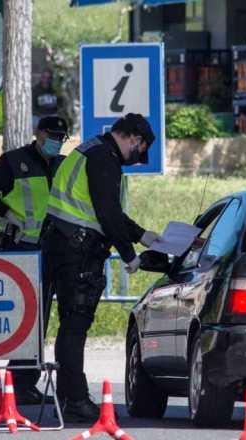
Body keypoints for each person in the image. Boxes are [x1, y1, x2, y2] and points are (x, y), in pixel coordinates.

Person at [42, 113, 160, 421]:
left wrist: (142, 235)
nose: (137, 158)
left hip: (61, 242)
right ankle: (77, 400)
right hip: (78, 250)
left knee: (69, 326)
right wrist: (129, 256)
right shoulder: (105, 159)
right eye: (141, 149)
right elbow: (106, 212)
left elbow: (105, 209)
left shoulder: (89, 150)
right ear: (134, 139)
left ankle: (70, 396)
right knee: (75, 326)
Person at [0, 116, 69, 405]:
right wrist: (7, 213)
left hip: (48, 249)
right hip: (17, 247)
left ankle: (24, 382)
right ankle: (19, 383)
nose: (56, 141)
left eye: (61, 137)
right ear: (37, 133)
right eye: (52, 135)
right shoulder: (14, 161)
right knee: (24, 316)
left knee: (40, 316)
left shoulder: (62, 165)